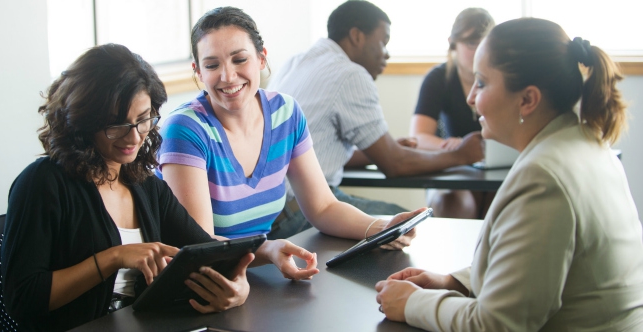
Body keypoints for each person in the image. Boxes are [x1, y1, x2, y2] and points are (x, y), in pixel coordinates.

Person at [1, 44, 318, 331]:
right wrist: (114, 257)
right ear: (82, 122)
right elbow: (24, 299)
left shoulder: (143, 183)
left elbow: (203, 250)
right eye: (117, 125)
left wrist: (238, 286)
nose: (135, 137)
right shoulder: (42, 184)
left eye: (144, 119)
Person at [375, 18, 643, 331]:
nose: (471, 98)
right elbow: (535, 266)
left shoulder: (544, 178)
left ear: (528, 99)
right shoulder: (584, 142)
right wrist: (454, 282)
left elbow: (497, 325)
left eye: (483, 83)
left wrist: (412, 304)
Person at [156, 6, 424, 248]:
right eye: (212, 65)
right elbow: (199, 244)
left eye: (240, 60)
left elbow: (323, 206)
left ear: (261, 59)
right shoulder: (184, 129)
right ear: (198, 72)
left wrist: (378, 228)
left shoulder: (285, 112)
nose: (228, 76)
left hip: (251, 270)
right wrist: (269, 251)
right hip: (200, 279)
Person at [266, 1, 484, 236]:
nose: (387, 53)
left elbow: (315, 153)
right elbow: (395, 165)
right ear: (357, 36)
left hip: (268, 212)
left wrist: (384, 148)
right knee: (416, 226)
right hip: (301, 211)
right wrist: (461, 154)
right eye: (384, 42)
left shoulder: (295, 62)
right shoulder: (350, 74)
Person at [410, 8, 496, 219]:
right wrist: (457, 147)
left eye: (484, 44)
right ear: (453, 43)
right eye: (471, 44)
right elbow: (418, 138)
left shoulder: (503, 79)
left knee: (501, 204)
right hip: (454, 171)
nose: (478, 52)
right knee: (453, 202)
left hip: (494, 172)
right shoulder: (438, 78)